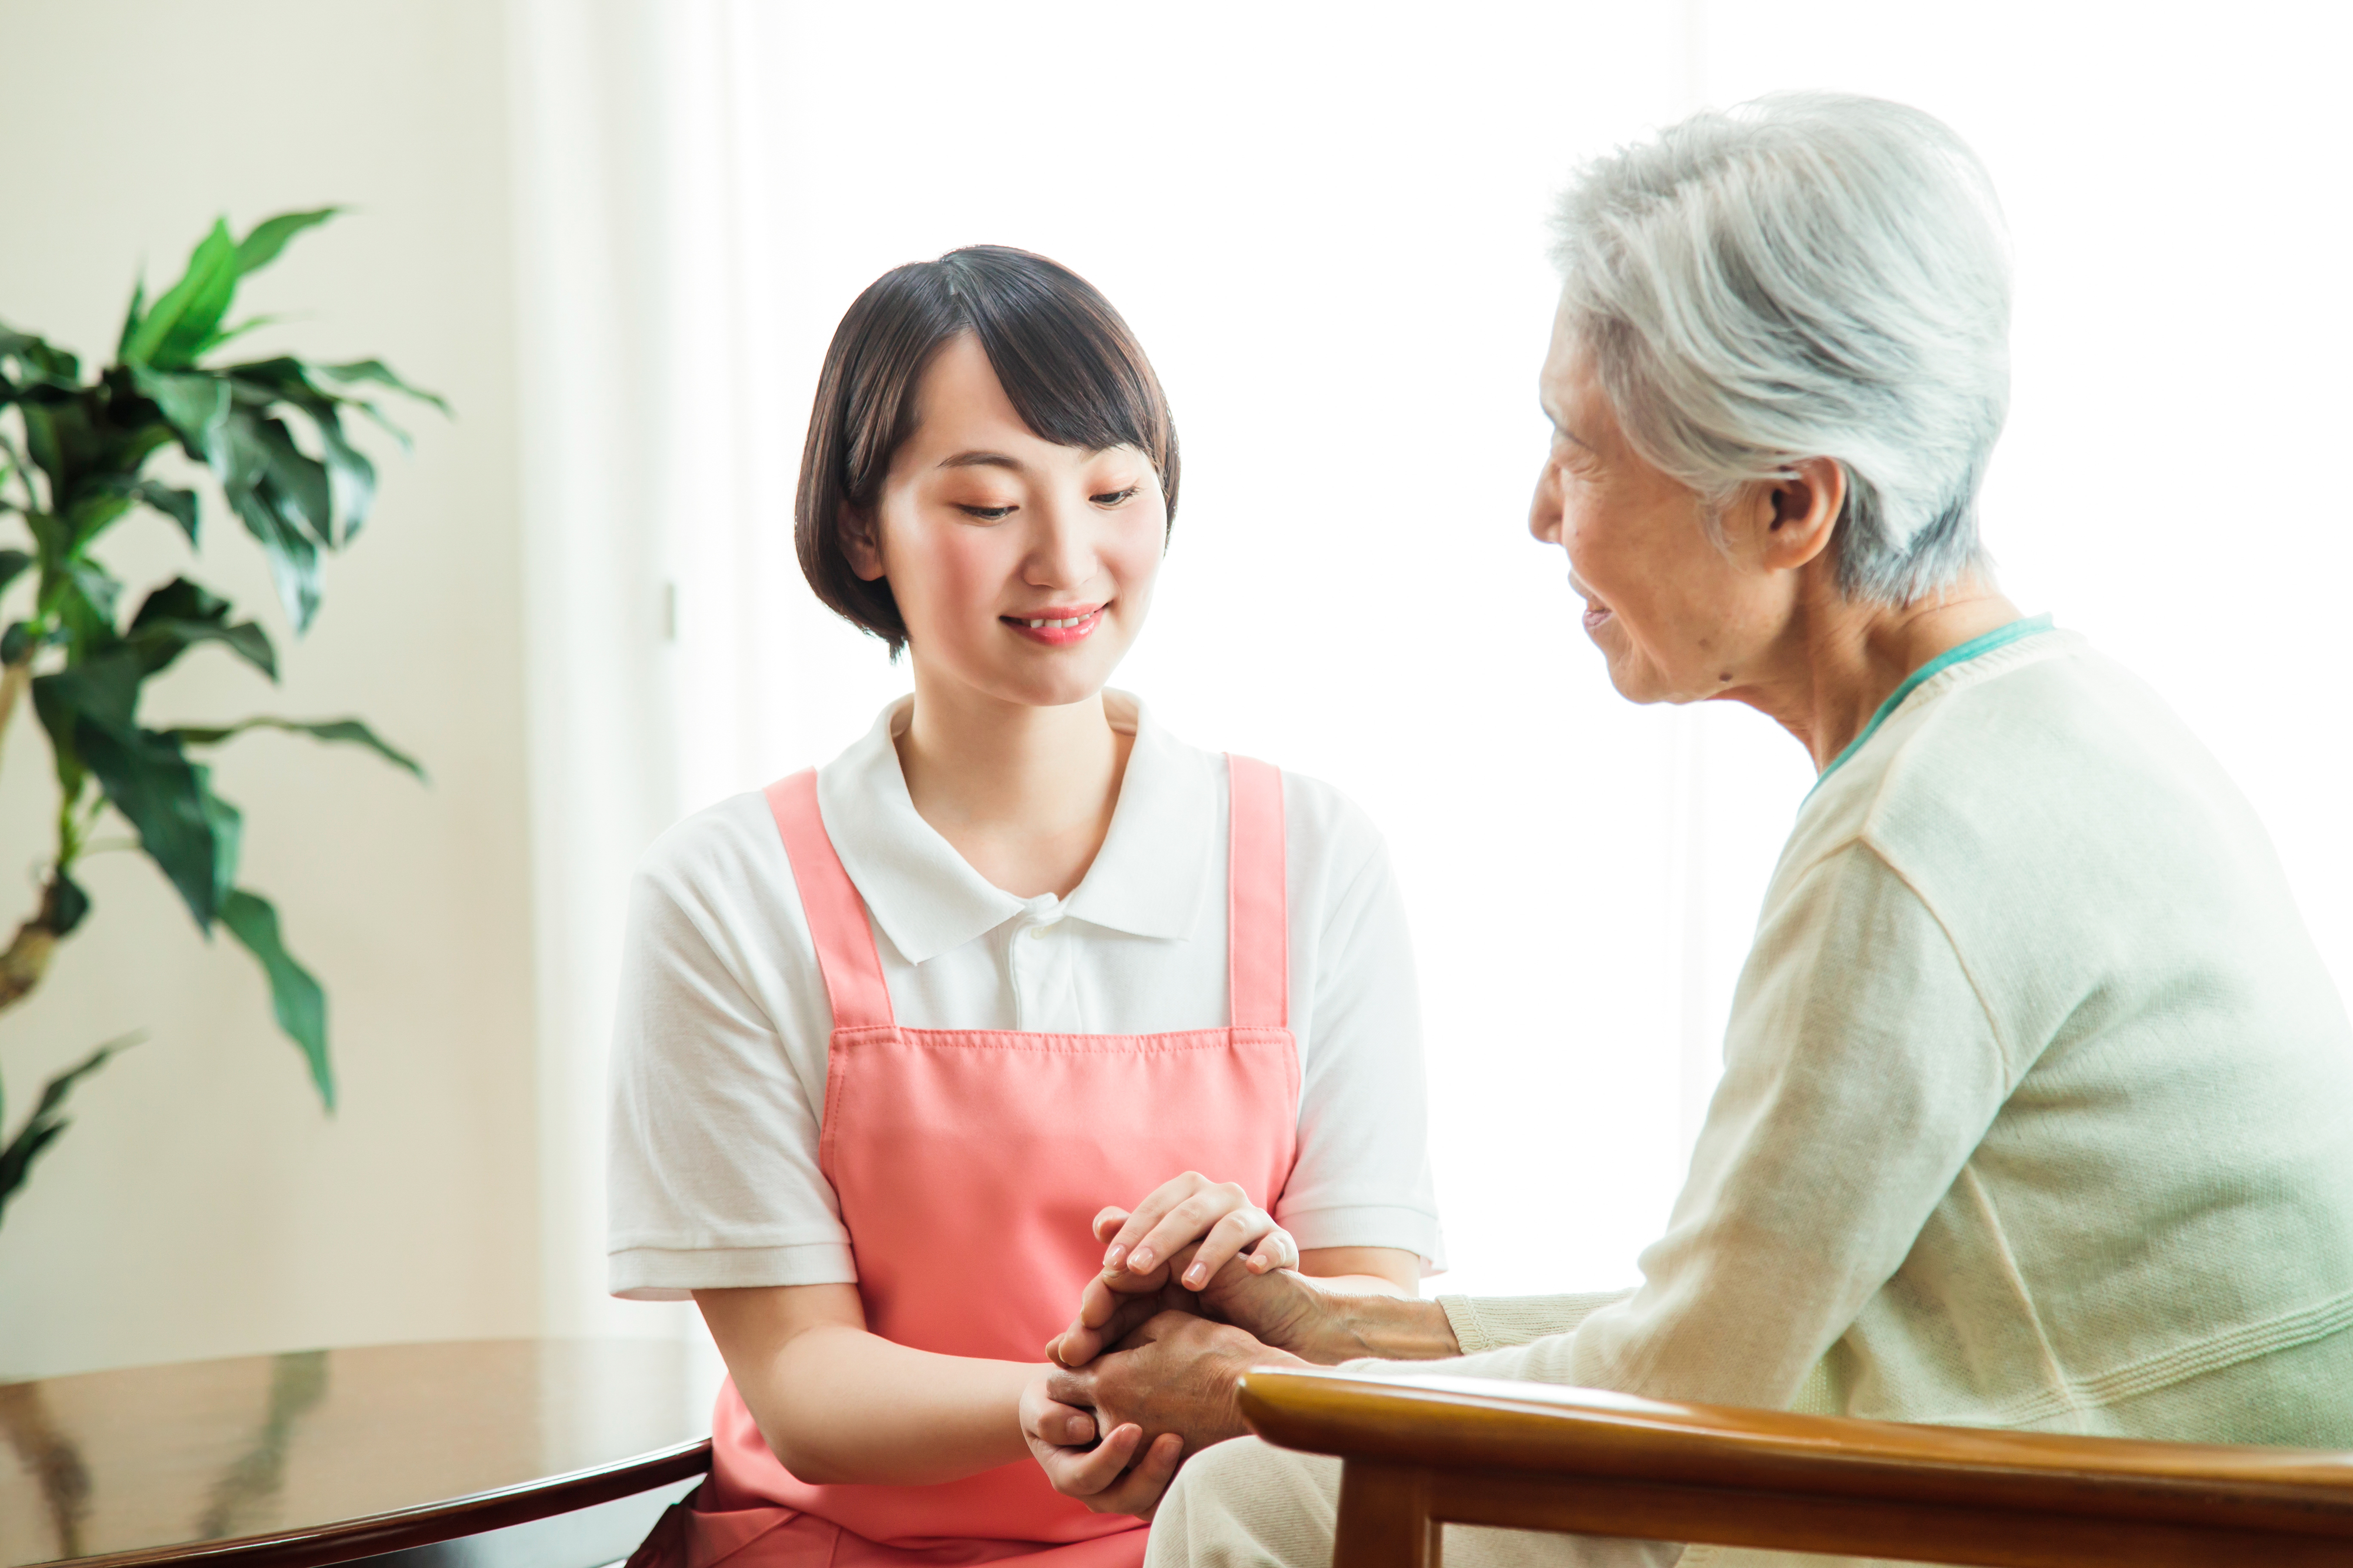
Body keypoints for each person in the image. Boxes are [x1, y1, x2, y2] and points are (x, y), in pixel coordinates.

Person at [1025, 94, 2353, 1567]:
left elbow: (1681, 1385)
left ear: (1787, 503)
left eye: (1579, 449)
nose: (1540, 512)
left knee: (1256, 1494)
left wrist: (1262, 1396)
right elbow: (1742, 1314)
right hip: (2137, 1478)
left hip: (2109, 1519)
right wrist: (1342, 1332)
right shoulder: (2054, 720)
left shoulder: (1908, 836)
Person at [605, 246, 1442, 1567]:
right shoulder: (728, 891)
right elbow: (802, 1381)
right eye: (989, 504)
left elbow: (1368, 1323)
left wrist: (1262, 1293)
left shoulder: (1312, 857)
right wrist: (1062, 1399)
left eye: (1112, 490)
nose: (1066, 558)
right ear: (860, 529)